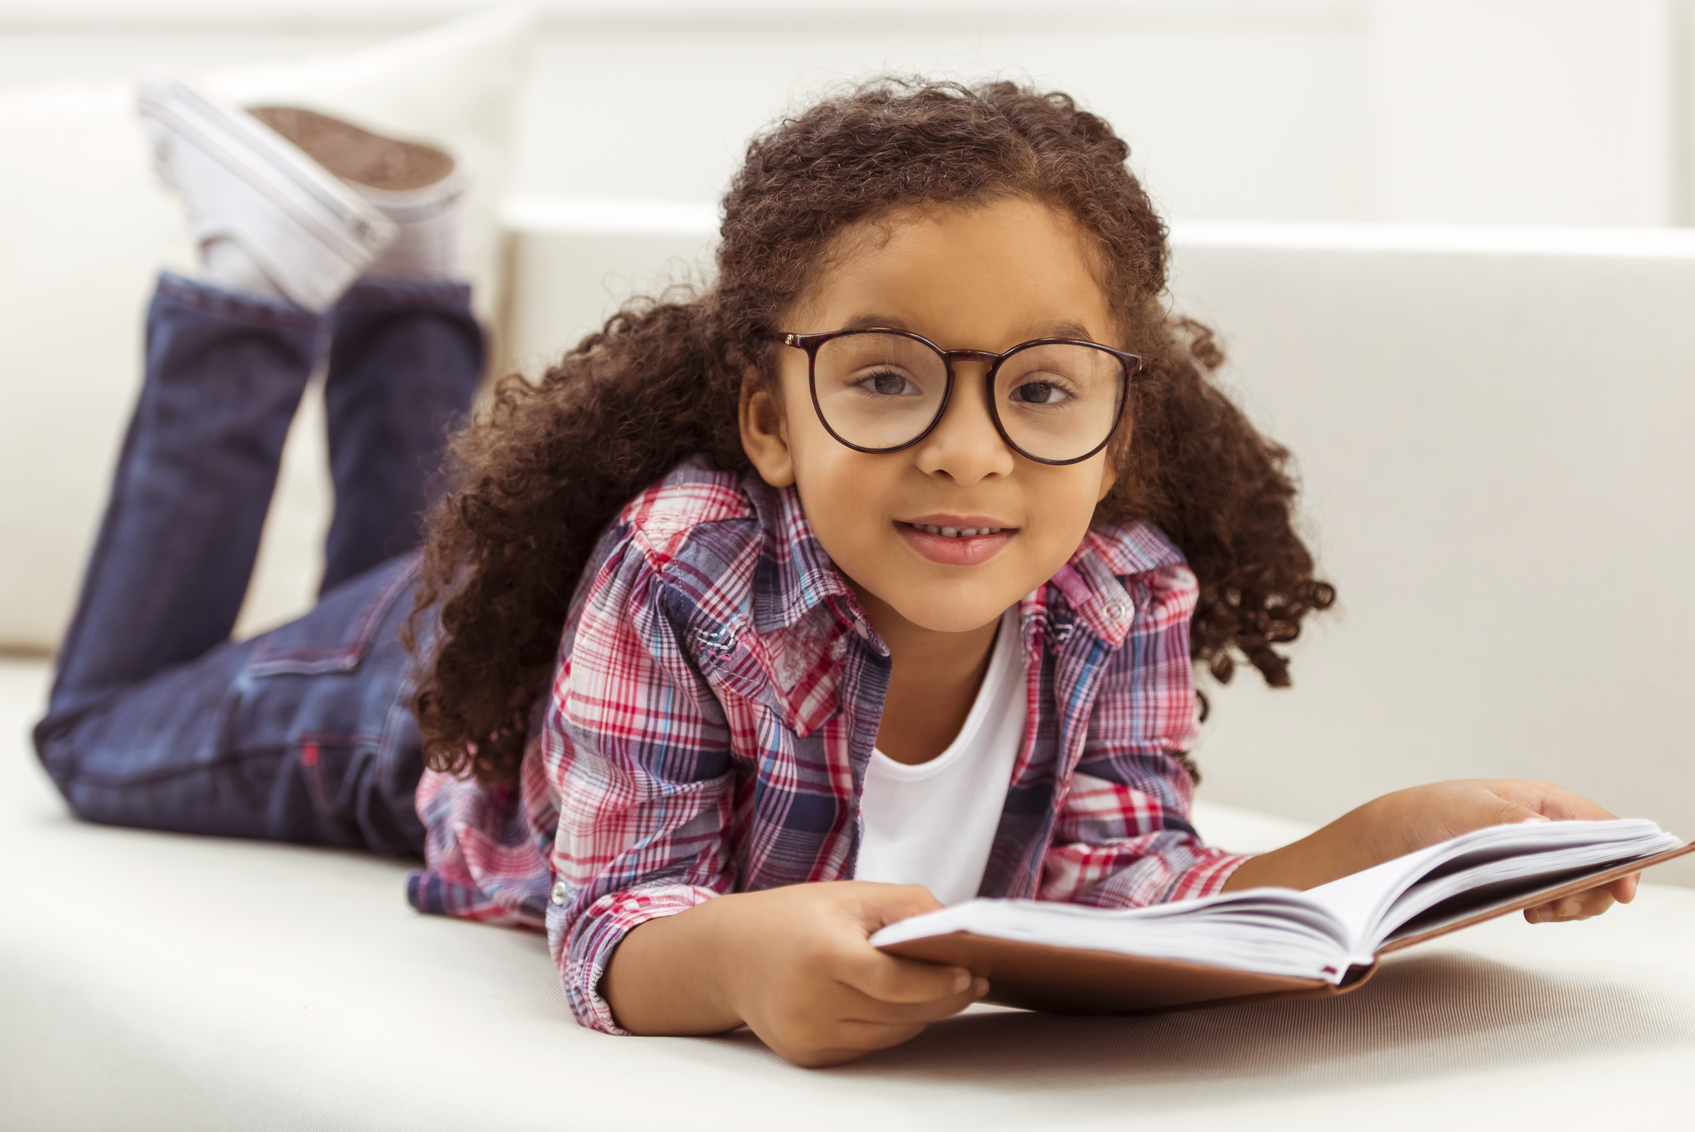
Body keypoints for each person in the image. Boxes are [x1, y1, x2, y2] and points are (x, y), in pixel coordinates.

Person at [35, 75, 1638, 1069]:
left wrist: (1394, 849)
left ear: (1117, 415)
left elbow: (1124, 886)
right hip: (443, 692)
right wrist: (739, 961)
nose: (968, 452)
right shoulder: (684, 565)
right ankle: (248, 287)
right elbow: (618, 916)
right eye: (885, 381)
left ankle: (403, 274)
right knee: (94, 738)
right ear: (769, 415)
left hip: (534, 618)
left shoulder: (1123, 592)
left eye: (1043, 388)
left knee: (413, 531)